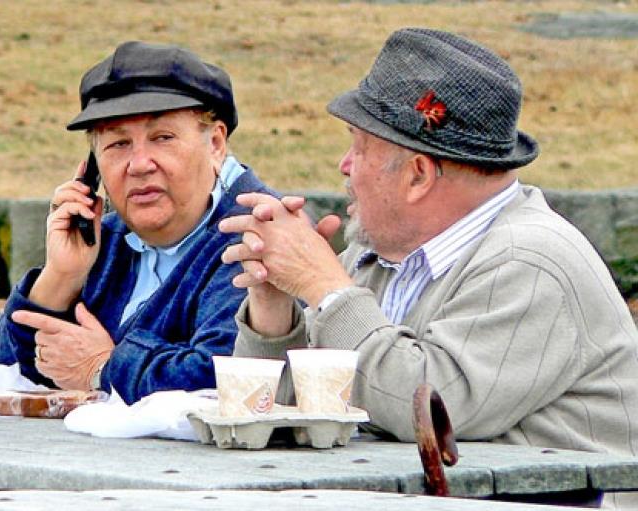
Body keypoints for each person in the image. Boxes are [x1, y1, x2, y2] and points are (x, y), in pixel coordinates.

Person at [220, 27, 638, 496]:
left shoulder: (530, 260)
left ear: (417, 175)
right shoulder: (376, 256)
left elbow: (428, 413)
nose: (343, 165)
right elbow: (298, 419)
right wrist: (275, 307)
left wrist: (326, 288)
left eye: (358, 146)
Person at [0, 41, 275, 404]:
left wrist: (105, 367)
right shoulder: (107, 236)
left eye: (162, 138)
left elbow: (225, 374)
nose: (139, 164)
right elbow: (0, 367)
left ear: (215, 144)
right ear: (93, 167)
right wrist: (60, 278)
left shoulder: (257, 235)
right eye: (118, 144)